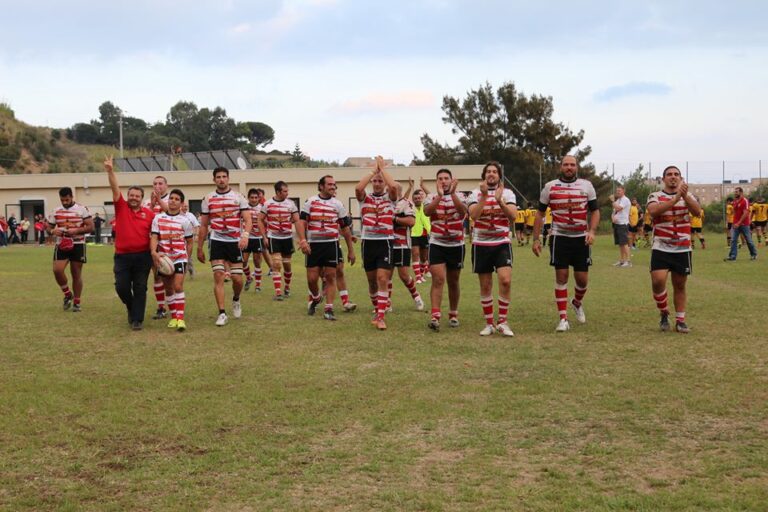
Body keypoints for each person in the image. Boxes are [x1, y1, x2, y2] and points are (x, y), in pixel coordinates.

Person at [532, 155, 600, 332]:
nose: (569, 167)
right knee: (561, 276)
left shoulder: (587, 185)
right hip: (559, 238)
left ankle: (576, 302)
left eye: (572, 164)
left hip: (581, 238)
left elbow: (595, 211)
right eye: (566, 164)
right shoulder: (550, 187)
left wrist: (592, 231)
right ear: (560, 167)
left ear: (577, 167)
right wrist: (536, 238)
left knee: (582, 280)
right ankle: (563, 318)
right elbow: (539, 214)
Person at [647, 166, 702, 333]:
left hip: (682, 248)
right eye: (669, 174)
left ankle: (680, 320)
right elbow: (654, 212)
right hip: (661, 247)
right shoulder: (655, 196)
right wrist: (675, 199)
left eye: (676, 174)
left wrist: (684, 196)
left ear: (681, 178)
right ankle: (664, 312)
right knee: (657, 281)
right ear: (663, 179)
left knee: (680, 285)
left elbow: (697, 212)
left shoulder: (688, 196)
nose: (673, 177)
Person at [104, 156, 155, 330]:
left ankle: (137, 320)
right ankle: (131, 307)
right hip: (122, 257)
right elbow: (114, 187)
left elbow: (156, 234)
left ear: (142, 198)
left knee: (140, 287)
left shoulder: (149, 214)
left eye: (137, 196)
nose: (134, 198)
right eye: (131, 195)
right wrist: (110, 171)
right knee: (122, 287)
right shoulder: (121, 207)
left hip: (143, 256)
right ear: (127, 197)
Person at [467, 161, 517, 337]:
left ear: (499, 176)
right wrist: (483, 196)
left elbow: (513, 216)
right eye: (488, 171)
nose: (491, 174)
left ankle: (502, 321)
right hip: (481, 243)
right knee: (486, 284)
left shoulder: (508, 193)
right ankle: (489, 323)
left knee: (505, 280)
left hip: (502, 242)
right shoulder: (474, 193)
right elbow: (473, 215)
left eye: (494, 172)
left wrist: (500, 202)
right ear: (484, 175)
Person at [197, 167, 251, 326]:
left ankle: (236, 299)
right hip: (217, 241)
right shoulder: (208, 198)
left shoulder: (238, 197)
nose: (221, 179)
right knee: (219, 275)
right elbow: (204, 225)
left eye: (224, 176)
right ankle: (222, 313)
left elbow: (247, 219)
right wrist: (200, 247)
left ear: (228, 178)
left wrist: (245, 236)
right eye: (218, 177)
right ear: (214, 180)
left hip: (235, 241)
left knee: (237, 278)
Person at [297, 175, 354, 320]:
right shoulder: (310, 202)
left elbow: (345, 229)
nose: (333, 187)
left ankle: (329, 309)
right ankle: (316, 298)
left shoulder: (338, 204)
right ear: (321, 186)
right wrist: (303, 240)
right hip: (314, 245)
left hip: (331, 244)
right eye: (329, 184)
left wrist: (351, 250)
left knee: (330, 276)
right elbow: (301, 223)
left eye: (334, 184)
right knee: (312, 279)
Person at [356, 156, 401, 330]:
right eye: (374, 181)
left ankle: (381, 316)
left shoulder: (390, 198)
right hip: (368, 243)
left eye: (379, 181)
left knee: (382, 278)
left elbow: (393, 187)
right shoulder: (364, 199)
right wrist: (373, 171)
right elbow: (359, 187)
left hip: (385, 242)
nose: (376, 183)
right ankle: (377, 308)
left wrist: (382, 171)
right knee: (372, 281)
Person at [424, 168, 468, 331]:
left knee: (453, 280)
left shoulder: (461, 195)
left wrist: (453, 194)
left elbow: (464, 211)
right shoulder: (431, 196)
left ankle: (453, 313)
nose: (443, 181)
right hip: (437, 244)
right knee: (438, 279)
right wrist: (440, 196)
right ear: (436, 181)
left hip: (456, 244)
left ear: (452, 180)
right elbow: (428, 212)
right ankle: (435, 316)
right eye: (440, 178)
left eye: (446, 178)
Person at [150, 189, 195, 331]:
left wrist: (186, 258)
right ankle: (174, 317)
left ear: (181, 203)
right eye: (171, 198)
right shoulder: (158, 218)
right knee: (168, 288)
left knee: (178, 286)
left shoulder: (185, 221)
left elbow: (190, 242)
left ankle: (180, 319)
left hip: (179, 257)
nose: (173, 201)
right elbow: (155, 237)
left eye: (177, 199)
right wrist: (154, 252)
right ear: (168, 200)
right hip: (164, 259)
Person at [46, 187, 94, 312]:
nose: (65, 202)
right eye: (62, 200)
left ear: (72, 197)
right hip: (62, 244)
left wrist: (77, 230)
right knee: (57, 270)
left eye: (67, 199)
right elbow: (48, 227)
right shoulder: (56, 211)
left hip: (78, 244)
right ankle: (67, 294)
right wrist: (52, 230)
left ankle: (77, 302)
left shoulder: (82, 209)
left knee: (76, 273)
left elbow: (90, 227)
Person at [259, 181, 299, 301]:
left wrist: (288, 223)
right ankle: (278, 293)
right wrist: (264, 237)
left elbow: (296, 219)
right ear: (277, 192)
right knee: (276, 263)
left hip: (287, 238)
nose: (287, 193)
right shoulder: (268, 204)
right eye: (285, 191)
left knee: (287, 264)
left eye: (287, 191)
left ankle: (287, 288)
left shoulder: (291, 204)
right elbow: (260, 219)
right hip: (274, 237)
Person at [391, 186, 425, 312]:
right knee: (385, 276)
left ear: (399, 191)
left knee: (404, 275)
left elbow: (411, 221)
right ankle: (387, 304)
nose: (391, 191)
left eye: (393, 189)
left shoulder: (406, 204)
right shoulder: (386, 203)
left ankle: (416, 297)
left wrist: (394, 219)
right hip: (386, 244)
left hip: (402, 244)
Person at [147, 176, 171, 320]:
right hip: (154, 243)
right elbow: (146, 218)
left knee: (170, 277)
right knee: (157, 275)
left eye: (160, 183)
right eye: (155, 183)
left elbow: (170, 212)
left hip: (170, 243)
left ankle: (174, 306)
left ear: (166, 186)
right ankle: (161, 307)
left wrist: (159, 201)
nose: (157, 186)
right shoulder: (146, 202)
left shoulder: (172, 199)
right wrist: (151, 205)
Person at [243, 188, 270, 292]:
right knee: (243, 261)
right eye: (252, 197)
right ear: (248, 198)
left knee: (257, 261)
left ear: (259, 198)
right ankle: (249, 278)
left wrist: (265, 235)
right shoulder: (244, 208)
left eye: (256, 197)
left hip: (258, 238)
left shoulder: (262, 208)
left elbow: (265, 221)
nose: (254, 199)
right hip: (246, 237)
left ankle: (258, 286)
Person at [725, 187, 758, 261]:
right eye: (735, 192)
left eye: (736, 192)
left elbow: (746, 213)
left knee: (748, 240)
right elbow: (735, 212)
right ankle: (732, 256)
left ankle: (754, 254)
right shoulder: (735, 201)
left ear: (741, 192)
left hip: (744, 224)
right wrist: (734, 222)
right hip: (735, 224)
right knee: (733, 240)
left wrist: (739, 223)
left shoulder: (745, 201)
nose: (735, 193)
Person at [410, 184, 431, 284]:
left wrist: (423, 185)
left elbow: (430, 195)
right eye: (415, 198)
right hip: (414, 233)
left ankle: (421, 275)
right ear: (413, 200)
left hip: (425, 233)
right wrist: (410, 187)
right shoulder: (410, 207)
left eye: (419, 198)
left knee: (424, 257)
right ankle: (418, 277)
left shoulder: (426, 206)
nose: (417, 199)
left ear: (422, 198)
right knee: (415, 254)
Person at [611, 186, 632, 267]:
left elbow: (618, 208)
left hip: (623, 224)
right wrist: (613, 218)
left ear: (624, 191)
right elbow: (614, 211)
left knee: (624, 243)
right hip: (617, 224)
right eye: (617, 191)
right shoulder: (618, 200)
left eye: (619, 190)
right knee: (620, 243)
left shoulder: (625, 200)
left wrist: (613, 201)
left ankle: (628, 261)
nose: (618, 192)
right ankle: (622, 260)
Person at [180, 202, 200, 278]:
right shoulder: (177, 215)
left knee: (188, 256)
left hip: (189, 238)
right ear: (180, 206)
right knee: (180, 255)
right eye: (184, 206)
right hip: (178, 239)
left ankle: (190, 269)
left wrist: (197, 235)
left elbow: (197, 225)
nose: (186, 208)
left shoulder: (190, 215)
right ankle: (181, 271)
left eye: (187, 206)